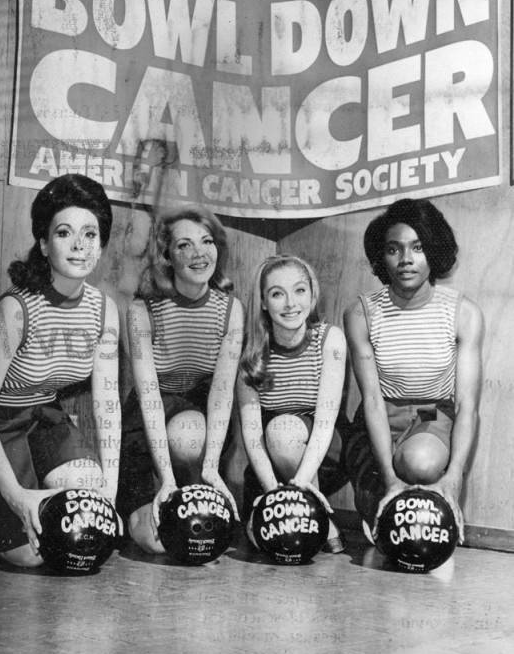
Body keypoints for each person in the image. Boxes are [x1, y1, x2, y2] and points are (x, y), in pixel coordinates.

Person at [0, 174, 121, 567]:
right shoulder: (15, 310)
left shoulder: (104, 310)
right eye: (65, 233)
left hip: (43, 419)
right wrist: (14, 495)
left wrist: (110, 495)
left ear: (101, 244)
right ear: (43, 242)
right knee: (31, 555)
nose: (80, 245)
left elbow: (106, 404)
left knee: (87, 496)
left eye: (91, 234)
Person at [342, 197, 484, 544]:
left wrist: (454, 478)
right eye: (394, 249)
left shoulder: (463, 313)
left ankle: (429, 503)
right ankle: (379, 491)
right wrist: (389, 478)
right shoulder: (361, 314)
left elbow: (466, 406)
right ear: (382, 256)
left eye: (417, 248)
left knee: (420, 463)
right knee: (387, 509)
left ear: (433, 251)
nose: (405, 260)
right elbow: (373, 400)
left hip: (428, 411)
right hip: (379, 414)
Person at [117, 204, 244, 554]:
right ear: (167, 256)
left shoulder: (230, 309)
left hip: (200, 421)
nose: (199, 253)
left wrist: (211, 468)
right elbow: (149, 397)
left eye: (207, 241)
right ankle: (152, 496)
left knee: (188, 435)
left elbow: (221, 395)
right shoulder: (143, 310)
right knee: (157, 543)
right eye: (184, 245)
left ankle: (194, 486)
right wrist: (166, 480)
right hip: (149, 421)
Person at [236, 254, 347, 553]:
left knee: (283, 432)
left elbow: (325, 423)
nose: (290, 303)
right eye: (277, 294)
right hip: (270, 465)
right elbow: (251, 432)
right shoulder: (252, 350)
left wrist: (298, 489)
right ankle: (297, 506)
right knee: (262, 541)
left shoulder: (330, 339)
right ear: (262, 301)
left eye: (299, 290)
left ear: (312, 295)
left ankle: (319, 514)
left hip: (323, 454)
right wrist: (274, 496)